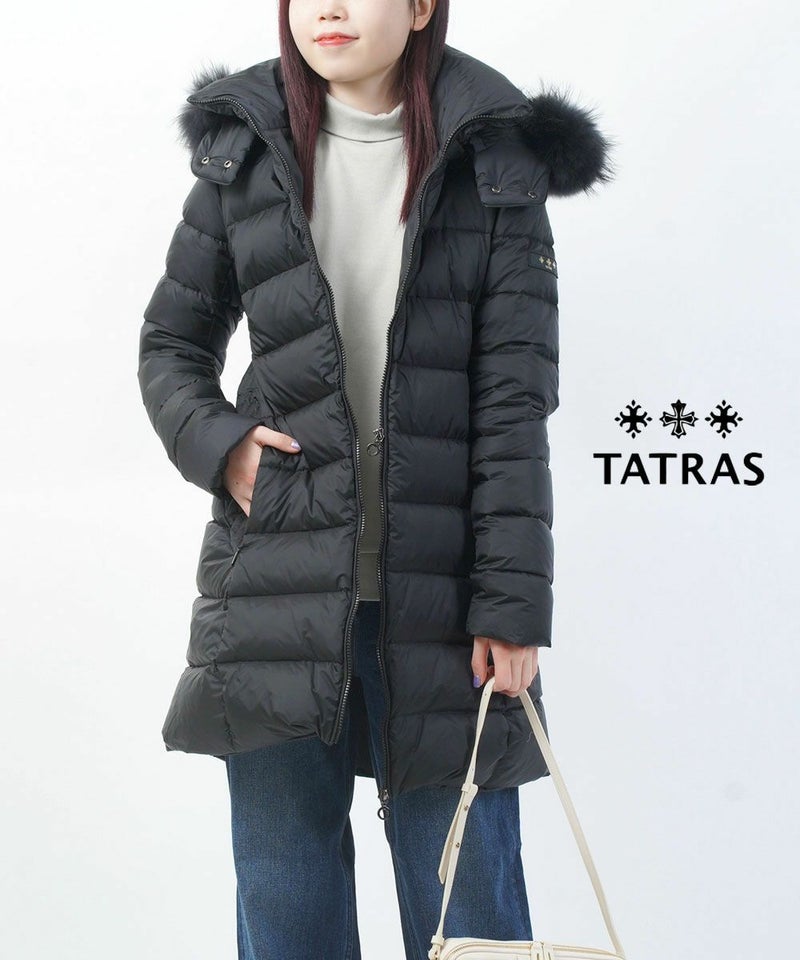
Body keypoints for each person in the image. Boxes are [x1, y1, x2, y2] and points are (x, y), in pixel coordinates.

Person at [137, 1, 614, 957]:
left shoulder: (494, 159)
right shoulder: (244, 148)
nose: (329, 8)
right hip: (274, 582)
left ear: (422, 4)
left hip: (445, 603)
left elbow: (514, 404)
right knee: (286, 901)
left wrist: (512, 608)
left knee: (470, 913)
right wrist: (225, 448)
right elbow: (171, 347)